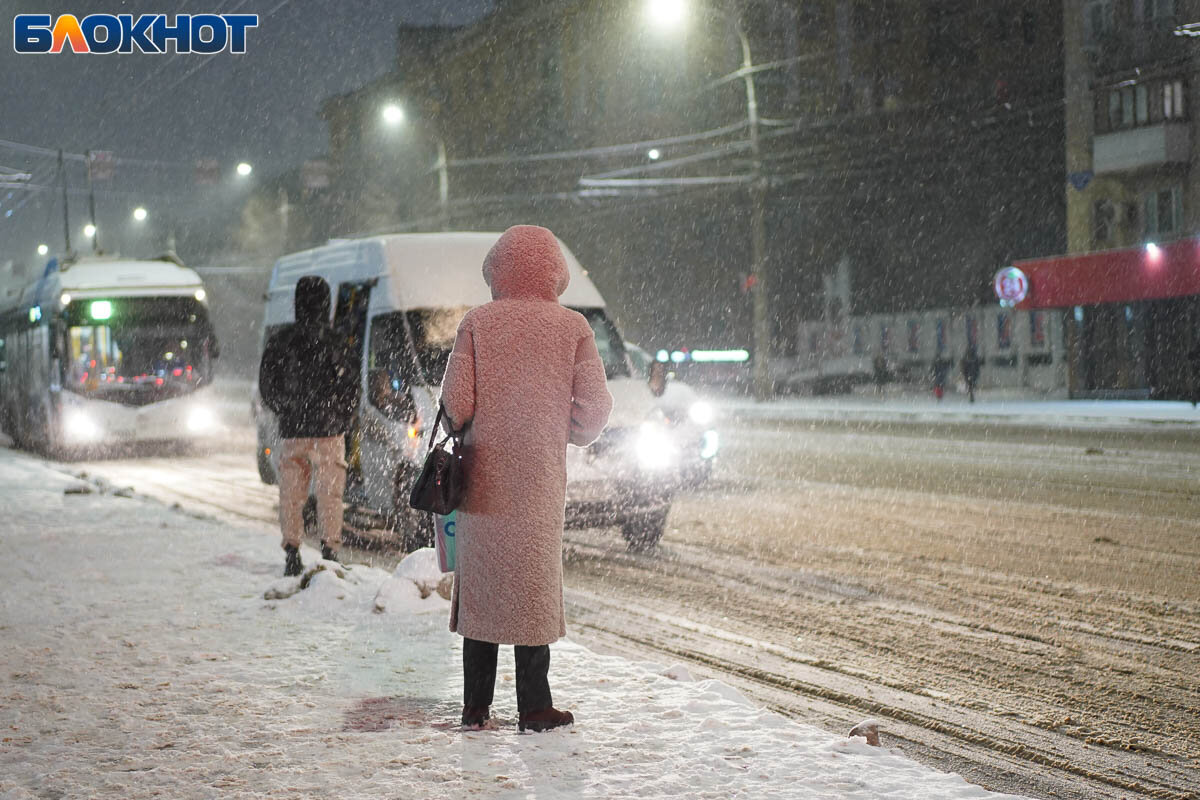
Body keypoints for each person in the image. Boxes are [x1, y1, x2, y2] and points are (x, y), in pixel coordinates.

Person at [439, 225, 613, 733]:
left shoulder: (477, 323)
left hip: (483, 478)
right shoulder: (573, 327)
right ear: (553, 271)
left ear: (497, 268)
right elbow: (597, 407)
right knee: (532, 585)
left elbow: (455, 405)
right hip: (538, 480)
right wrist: (568, 430)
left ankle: (476, 706)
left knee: (487, 585)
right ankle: (535, 706)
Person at [258, 275, 360, 577]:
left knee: (291, 493)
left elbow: (267, 386)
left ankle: (292, 552)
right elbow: (352, 386)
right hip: (330, 431)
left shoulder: (281, 341)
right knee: (330, 494)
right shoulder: (338, 341)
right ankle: (330, 550)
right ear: (326, 304)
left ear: (296, 303)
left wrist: (286, 409)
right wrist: (342, 416)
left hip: (293, 431)